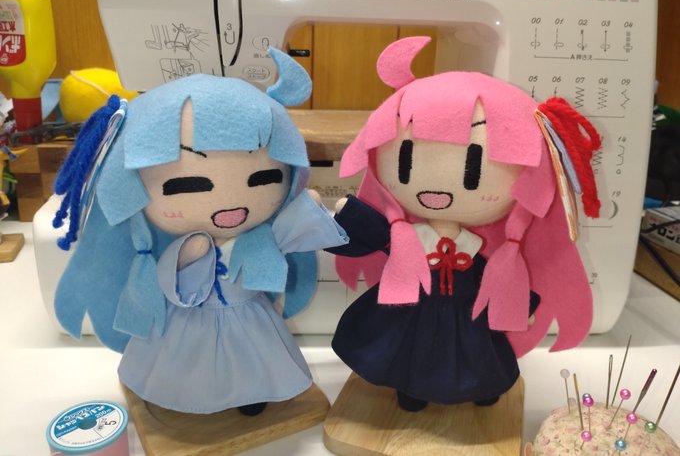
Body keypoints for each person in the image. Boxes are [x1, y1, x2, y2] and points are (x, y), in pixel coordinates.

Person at [52, 49, 347, 415]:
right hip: (190, 316)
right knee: (182, 364)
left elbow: (296, 229)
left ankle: (251, 395)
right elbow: (171, 282)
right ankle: (180, 396)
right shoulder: (183, 246)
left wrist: (309, 207)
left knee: (253, 362)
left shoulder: (260, 238)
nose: (231, 204)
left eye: (264, 178)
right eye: (189, 184)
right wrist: (188, 256)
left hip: (248, 314)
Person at [328, 36, 601, 412]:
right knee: (412, 355)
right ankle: (413, 389)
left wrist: (524, 304)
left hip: (466, 312)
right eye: (404, 163)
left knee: (479, 355)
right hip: (416, 310)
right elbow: (375, 236)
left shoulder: (474, 247)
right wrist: (347, 214)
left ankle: (482, 387)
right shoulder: (409, 239)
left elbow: (492, 277)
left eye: (474, 170)